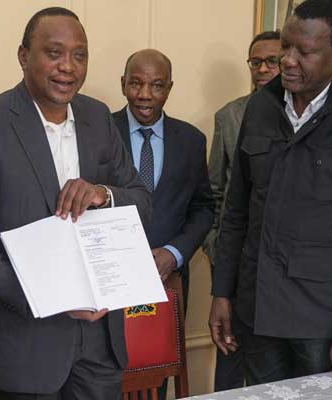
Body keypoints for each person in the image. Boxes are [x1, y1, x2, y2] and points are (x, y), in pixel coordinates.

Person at [0, 7, 150, 400]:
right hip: (24, 344)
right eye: (54, 53)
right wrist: (47, 294)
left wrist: (104, 195)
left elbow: (140, 200)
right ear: (24, 56)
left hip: (100, 345)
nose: (68, 67)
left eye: (79, 55)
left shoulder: (99, 117)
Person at [209, 0, 332, 384]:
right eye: (285, 47)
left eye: (305, 51)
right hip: (257, 312)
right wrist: (222, 293)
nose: (287, 60)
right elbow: (236, 212)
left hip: (323, 324)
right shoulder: (260, 108)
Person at [113, 48, 214, 399]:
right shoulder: (99, 132)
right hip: (110, 282)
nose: (145, 95)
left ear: (169, 88)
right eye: (136, 83)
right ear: (123, 83)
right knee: (108, 377)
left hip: (167, 281)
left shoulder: (191, 140)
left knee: (156, 377)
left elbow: (204, 208)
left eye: (156, 85)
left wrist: (175, 253)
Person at [202, 30, 280, 392]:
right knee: (230, 353)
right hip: (234, 259)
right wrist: (217, 249)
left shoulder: (301, 116)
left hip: (282, 265)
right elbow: (214, 192)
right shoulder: (229, 117)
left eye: (271, 61)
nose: (262, 69)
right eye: (256, 62)